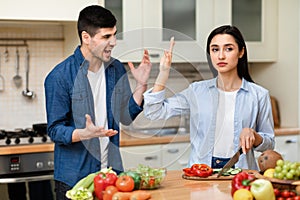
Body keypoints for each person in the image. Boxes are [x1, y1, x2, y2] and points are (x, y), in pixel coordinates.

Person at [44, 5, 151, 199]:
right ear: (86, 37)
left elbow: (125, 116)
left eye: (114, 35)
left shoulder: (116, 69)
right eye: (106, 37)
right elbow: (55, 130)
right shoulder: (59, 77)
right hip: (75, 179)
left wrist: (141, 85)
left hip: (112, 176)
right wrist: (83, 134)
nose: (114, 42)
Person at [143, 25, 275, 170]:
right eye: (215, 49)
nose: (221, 56)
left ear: (241, 52)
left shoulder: (259, 95)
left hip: (241, 172)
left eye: (228, 49)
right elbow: (154, 112)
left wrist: (254, 135)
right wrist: (163, 73)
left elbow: (269, 143)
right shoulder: (197, 91)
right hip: (200, 172)